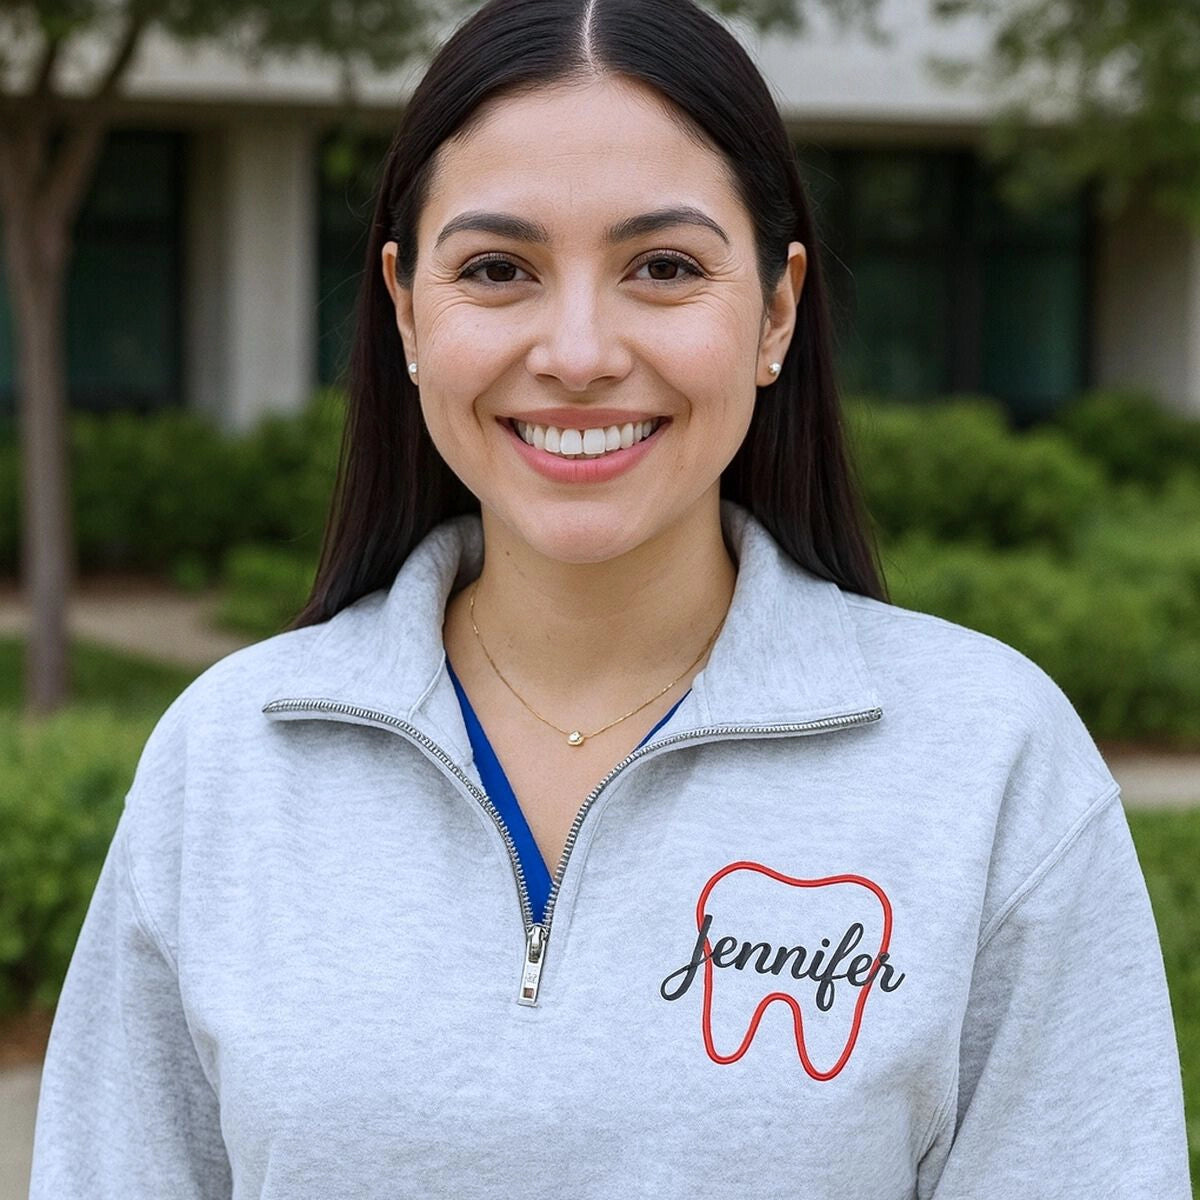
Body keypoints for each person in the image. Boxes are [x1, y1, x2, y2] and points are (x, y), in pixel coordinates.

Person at [27, 0, 1192, 1196]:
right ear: (406, 307)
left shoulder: (992, 763)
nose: (578, 351)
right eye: (497, 269)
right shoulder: (228, 763)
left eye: (664, 268)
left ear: (777, 311)